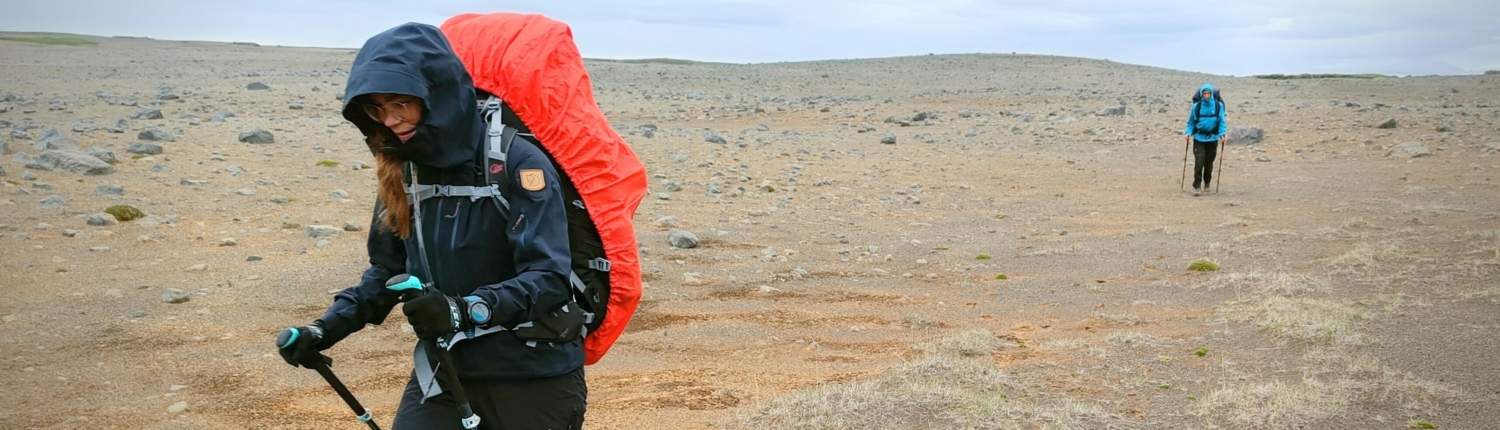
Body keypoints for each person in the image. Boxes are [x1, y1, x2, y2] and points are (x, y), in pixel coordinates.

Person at [275, 22, 585, 429]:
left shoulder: (516, 161)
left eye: (401, 103)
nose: (389, 120)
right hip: (447, 370)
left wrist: (463, 311)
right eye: (376, 109)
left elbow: (549, 277)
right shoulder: (401, 170)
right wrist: (326, 327)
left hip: (534, 374)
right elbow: (388, 271)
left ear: (435, 92)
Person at [1184, 83, 1229, 195]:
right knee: (1199, 161)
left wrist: (1223, 134)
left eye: (1208, 93)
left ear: (1211, 94)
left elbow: (1222, 122)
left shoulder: (1218, 106)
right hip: (1199, 138)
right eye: (1204, 93)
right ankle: (1197, 186)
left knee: (1209, 163)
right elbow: (1191, 122)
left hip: (1213, 139)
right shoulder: (1196, 107)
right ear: (1201, 94)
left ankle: (1207, 183)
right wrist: (1187, 133)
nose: (1206, 95)